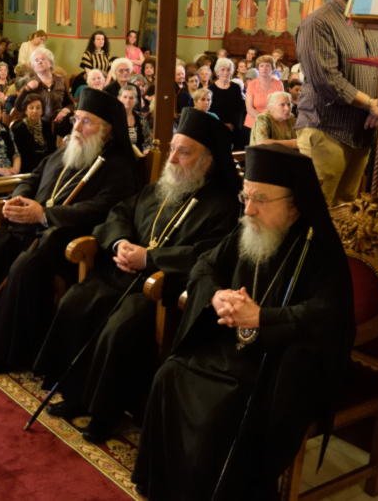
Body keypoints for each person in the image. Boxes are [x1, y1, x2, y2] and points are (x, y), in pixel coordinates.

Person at [131, 144, 355, 500]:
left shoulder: (318, 251)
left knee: (219, 416)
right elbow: (204, 265)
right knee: (168, 375)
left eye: (260, 199)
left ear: (294, 205)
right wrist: (215, 295)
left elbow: (327, 313)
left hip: (275, 366)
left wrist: (261, 317)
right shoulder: (246, 231)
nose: (248, 209)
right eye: (245, 196)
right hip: (226, 349)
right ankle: (164, 486)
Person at [33, 109, 242, 443]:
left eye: (183, 153)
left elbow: (207, 257)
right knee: (77, 300)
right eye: (172, 149)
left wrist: (150, 258)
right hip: (123, 275)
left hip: (162, 290)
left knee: (120, 326)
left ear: (207, 162)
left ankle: (104, 413)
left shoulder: (224, 206)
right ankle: (74, 393)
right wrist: (120, 243)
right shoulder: (160, 189)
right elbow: (120, 212)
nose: (171, 159)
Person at [0, 89, 140, 374]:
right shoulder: (66, 152)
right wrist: (17, 199)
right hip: (31, 228)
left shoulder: (118, 167)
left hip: (67, 239)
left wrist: (45, 214)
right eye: (77, 119)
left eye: (86, 122)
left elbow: (101, 210)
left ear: (106, 131)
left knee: (25, 265)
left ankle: (11, 352)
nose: (77, 127)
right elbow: (32, 178)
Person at [296, 0, 378, 205]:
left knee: (346, 210)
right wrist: (370, 104)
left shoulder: (373, 22)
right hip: (326, 130)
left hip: (362, 132)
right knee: (316, 208)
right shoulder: (318, 23)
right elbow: (327, 80)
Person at [244, 55, 284, 145]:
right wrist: (264, 121)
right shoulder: (252, 84)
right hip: (252, 124)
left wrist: (271, 122)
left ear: (272, 68)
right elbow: (249, 108)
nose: (264, 68)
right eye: (261, 66)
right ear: (258, 68)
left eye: (267, 65)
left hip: (273, 125)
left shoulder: (279, 84)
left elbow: (281, 105)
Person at [209, 57, 247, 149]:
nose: (226, 73)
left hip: (234, 127)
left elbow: (240, 108)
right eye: (222, 70)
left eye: (228, 70)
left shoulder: (236, 87)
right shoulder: (211, 89)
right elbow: (210, 110)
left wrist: (232, 124)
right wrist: (221, 125)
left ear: (232, 72)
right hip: (217, 127)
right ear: (217, 72)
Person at [10, 93, 53, 173]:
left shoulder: (46, 125)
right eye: (31, 108)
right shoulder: (18, 129)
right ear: (25, 110)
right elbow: (22, 157)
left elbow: (52, 149)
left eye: (38, 108)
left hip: (47, 167)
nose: (35, 111)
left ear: (42, 111)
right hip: (29, 170)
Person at [119, 84, 152, 156]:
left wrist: (147, 149)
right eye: (125, 97)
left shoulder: (141, 117)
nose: (128, 100)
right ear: (119, 98)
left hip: (137, 156)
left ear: (135, 100)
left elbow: (147, 142)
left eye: (131, 98)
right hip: (118, 155)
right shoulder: (113, 116)